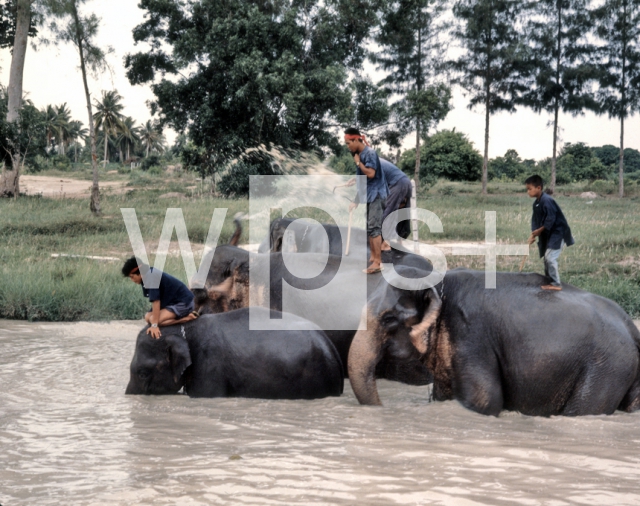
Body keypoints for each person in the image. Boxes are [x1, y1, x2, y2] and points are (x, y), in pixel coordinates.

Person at [344, 127, 389, 274]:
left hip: (377, 194)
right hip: (370, 194)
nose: (348, 146)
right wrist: (355, 200)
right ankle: (373, 256)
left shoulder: (369, 153)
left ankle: (378, 262)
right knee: (370, 227)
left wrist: (358, 164)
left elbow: (370, 173)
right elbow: (362, 181)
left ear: (357, 139)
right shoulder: (360, 154)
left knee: (374, 227)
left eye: (348, 143)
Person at [122, 256, 198, 339]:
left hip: (183, 302)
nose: (132, 280)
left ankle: (186, 319)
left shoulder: (151, 277)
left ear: (139, 272)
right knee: (147, 317)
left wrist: (154, 325)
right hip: (171, 303)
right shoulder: (146, 276)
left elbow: (156, 301)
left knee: (157, 321)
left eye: (132, 277)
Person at [525, 175, 575, 291]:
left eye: (530, 189)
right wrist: (533, 234)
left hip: (558, 232)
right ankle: (549, 280)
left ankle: (556, 284)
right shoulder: (536, 203)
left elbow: (550, 219)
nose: (528, 192)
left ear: (538, 188)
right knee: (546, 257)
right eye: (527, 189)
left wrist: (539, 230)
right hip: (548, 233)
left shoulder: (547, 200)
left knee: (550, 257)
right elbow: (535, 220)